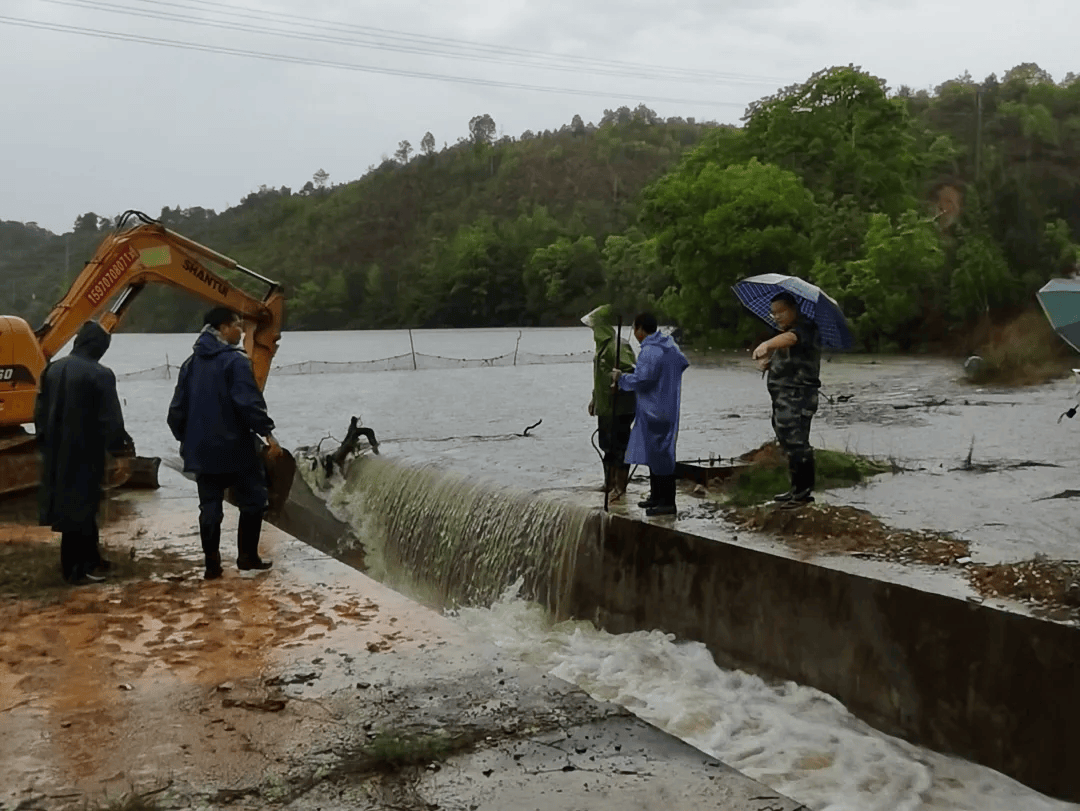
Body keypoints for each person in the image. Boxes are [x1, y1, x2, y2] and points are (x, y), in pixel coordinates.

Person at [167, 307, 282, 580]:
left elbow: (176, 413)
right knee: (254, 501)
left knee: (210, 507)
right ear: (223, 327)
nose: (242, 331)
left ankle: (212, 565)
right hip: (236, 450)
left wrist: (187, 440)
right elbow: (248, 403)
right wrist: (268, 433)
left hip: (201, 452)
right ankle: (247, 558)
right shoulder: (235, 362)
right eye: (237, 325)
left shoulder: (189, 364)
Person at [35, 321, 133, 584]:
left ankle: (91, 558)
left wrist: (43, 443)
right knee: (82, 507)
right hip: (86, 450)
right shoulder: (101, 374)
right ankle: (75, 570)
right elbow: (111, 419)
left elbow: (40, 412)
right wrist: (121, 451)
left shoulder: (53, 369)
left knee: (72, 505)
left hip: (56, 450)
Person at [613, 313, 689, 516]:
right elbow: (682, 363)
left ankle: (666, 502)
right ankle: (656, 496)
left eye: (634, 328)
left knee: (660, 456)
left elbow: (642, 380)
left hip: (653, 409)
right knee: (658, 454)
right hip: (668, 406)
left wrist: (621, 378)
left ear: (639, 329)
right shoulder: (670, 345)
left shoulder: (650, 350)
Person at [751, 291, 822, 505]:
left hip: (798, 396)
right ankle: (795, 489)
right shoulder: (785, 331)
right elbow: (788, 357)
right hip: (783, 397)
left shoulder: (805, 327)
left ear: (792, 309)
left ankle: (803, 492)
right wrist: (768, 363)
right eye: (773, 314)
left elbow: (792, 339)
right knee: (788, 442)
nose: (777, 317)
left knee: (798, 442)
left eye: (781, 312)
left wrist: (767, 345)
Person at [582, 304, 637, 500]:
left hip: (621, 407)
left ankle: (620, 486)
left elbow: (631, 372)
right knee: (606, 444)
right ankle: (609, 482)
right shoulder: (602, 348)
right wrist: (594, 398)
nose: (593, 332)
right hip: (605, 405)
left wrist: (619, 382)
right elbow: (600, 376)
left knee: (620, 445)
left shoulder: (617, 346)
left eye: (594, 328)